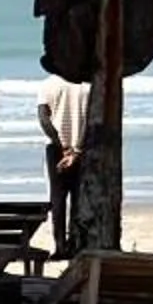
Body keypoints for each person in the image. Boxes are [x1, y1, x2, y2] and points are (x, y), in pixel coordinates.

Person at [38, 73, 95, 254]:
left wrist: (61, 146)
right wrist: (76, 150)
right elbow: (90, 121)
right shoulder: (87, 85)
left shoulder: (48, 85)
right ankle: (76, 243)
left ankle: (60, 246)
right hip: (82, 148)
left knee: (58, 198)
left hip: (56, 149)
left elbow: (44, 119)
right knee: (78, 198)